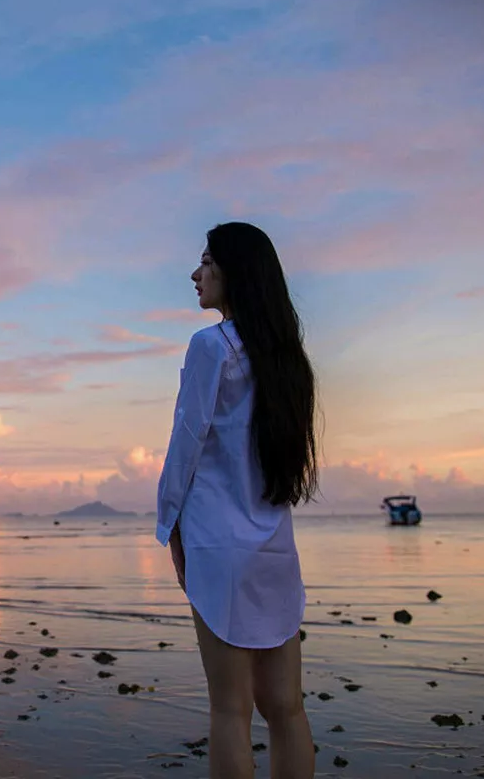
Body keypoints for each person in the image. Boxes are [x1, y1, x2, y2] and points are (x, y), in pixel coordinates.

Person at [156, 221, 319, 779]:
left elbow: (187, 444)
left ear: (236, 272)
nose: (196, 274)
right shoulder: (286, 358)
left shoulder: (211, 345)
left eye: (207, 261)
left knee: (230, 709)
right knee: (286, 707)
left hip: (216, 542)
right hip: (273, 544)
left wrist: (168, 527)